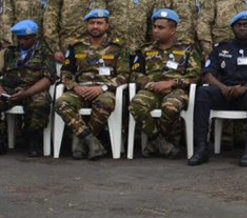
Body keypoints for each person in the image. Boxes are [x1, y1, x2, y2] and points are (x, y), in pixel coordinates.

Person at [187, 11, 247, 167]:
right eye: (238, 25)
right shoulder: (221, 48)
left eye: (246, 25)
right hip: (224, 93)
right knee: (203, 92)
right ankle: (202, 148)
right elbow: (208, 74)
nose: (242, 28)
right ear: (232, 28)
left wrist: (245, 88)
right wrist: (223, 87)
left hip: (246, 95)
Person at [53, 9, 131, 160]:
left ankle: (83, 144)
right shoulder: (76, 47)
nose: (95, 26)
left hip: (104, 89)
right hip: (80, 89)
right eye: (92, 23)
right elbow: (66, 73)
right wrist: (76, 87)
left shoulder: (117, 47)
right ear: (87, 26)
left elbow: (124, 75)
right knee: (61, 103)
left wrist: (102, 88)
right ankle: (91, 140)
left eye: (99, 23)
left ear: (106, 26)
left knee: (106, 103)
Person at [128, 9, 202, 159]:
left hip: (176, 90)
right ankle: (161, 142)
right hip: (151, 90)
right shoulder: (145, 50)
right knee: (136, 105)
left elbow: (195, 76)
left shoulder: (187, 49)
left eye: (160, 28)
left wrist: (173, 83)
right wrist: (152, 85)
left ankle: (156, 143)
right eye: (155, 27)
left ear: (173, 30)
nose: (155, 31)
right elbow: (135, 74)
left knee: (171, 107)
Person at [0, 20, 56, 157]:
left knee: (40, 102)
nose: (22, 42)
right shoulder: (8, 52)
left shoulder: (44, 52)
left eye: (26, 39)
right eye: (19, 38)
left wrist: (27, 93)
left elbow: (48, 78)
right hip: (9, 89)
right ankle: (2, 139)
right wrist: (1, 91)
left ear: (34, 37)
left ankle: (34, 140)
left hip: (33, 90)